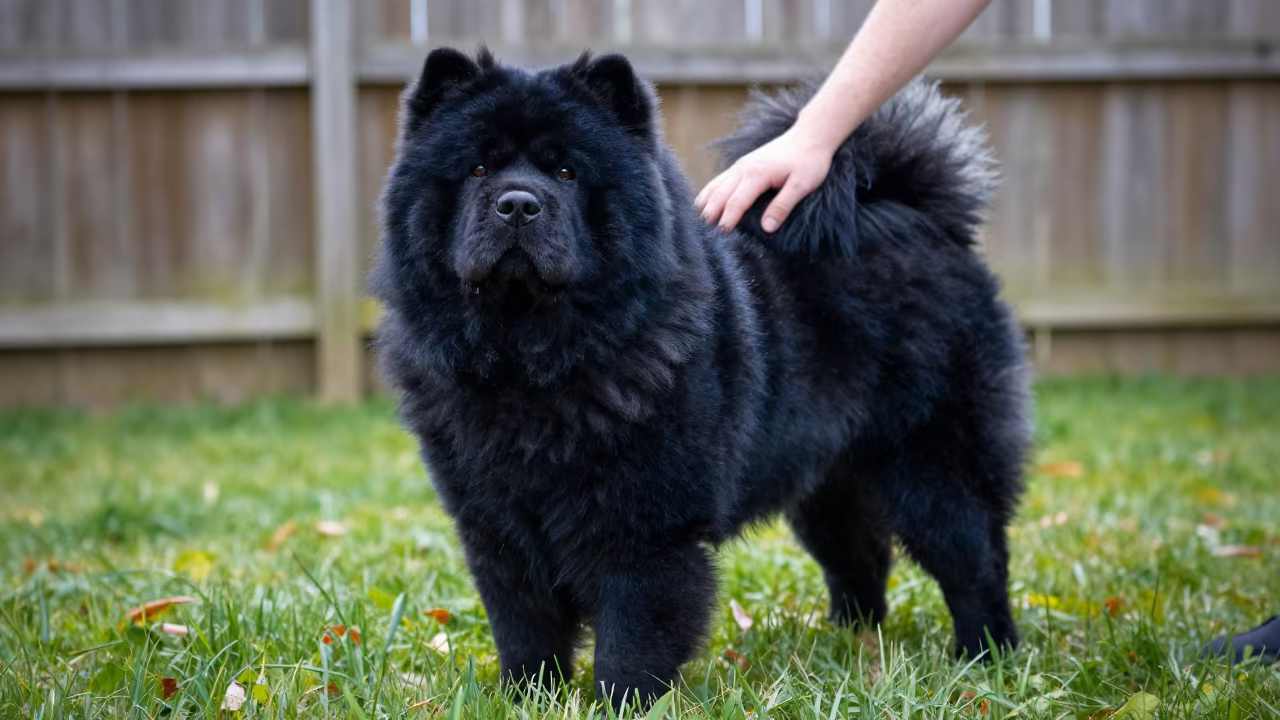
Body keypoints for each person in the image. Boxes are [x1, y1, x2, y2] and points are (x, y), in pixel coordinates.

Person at [696, 0, 1278, 667]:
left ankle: (985, 629)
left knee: (940, 492)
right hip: (855, 307)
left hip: (921, 315)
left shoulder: (913, 277)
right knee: (827, 487)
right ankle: (855, 607)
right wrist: (818, 132)